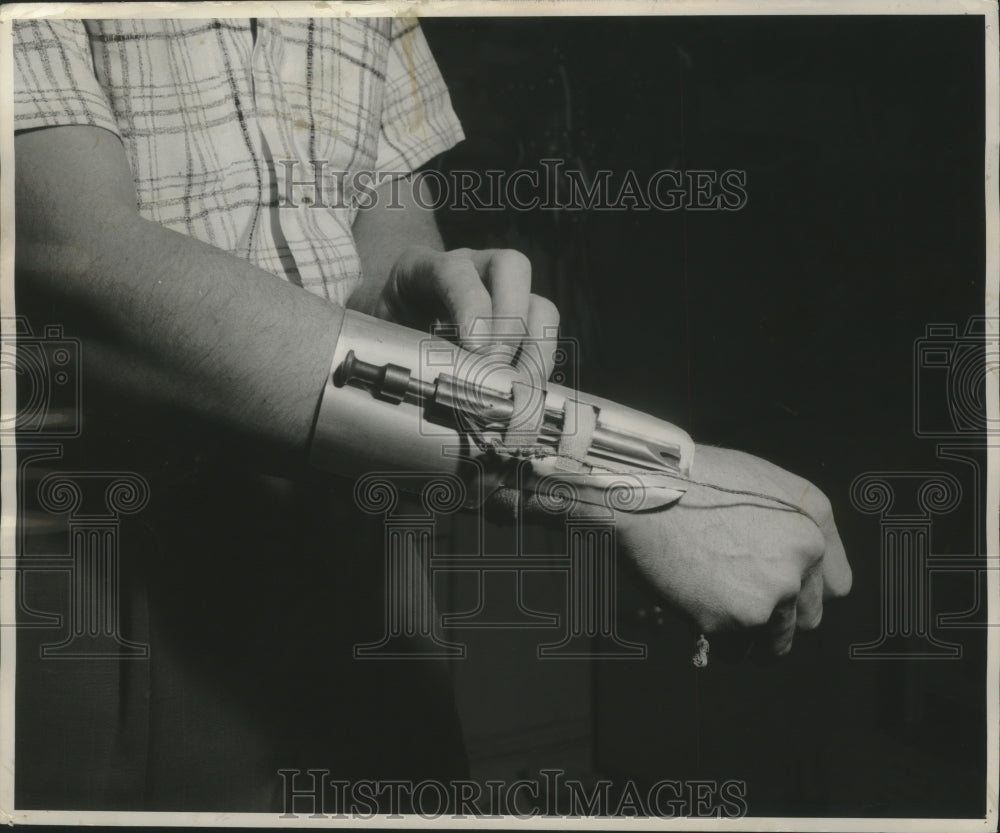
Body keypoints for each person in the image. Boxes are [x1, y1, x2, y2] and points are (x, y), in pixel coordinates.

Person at [11, 14, 851, 813]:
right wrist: (638, 482)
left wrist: (410, 282)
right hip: (103, 575)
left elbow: (383, 237)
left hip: (360, 557)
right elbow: (76, 271)